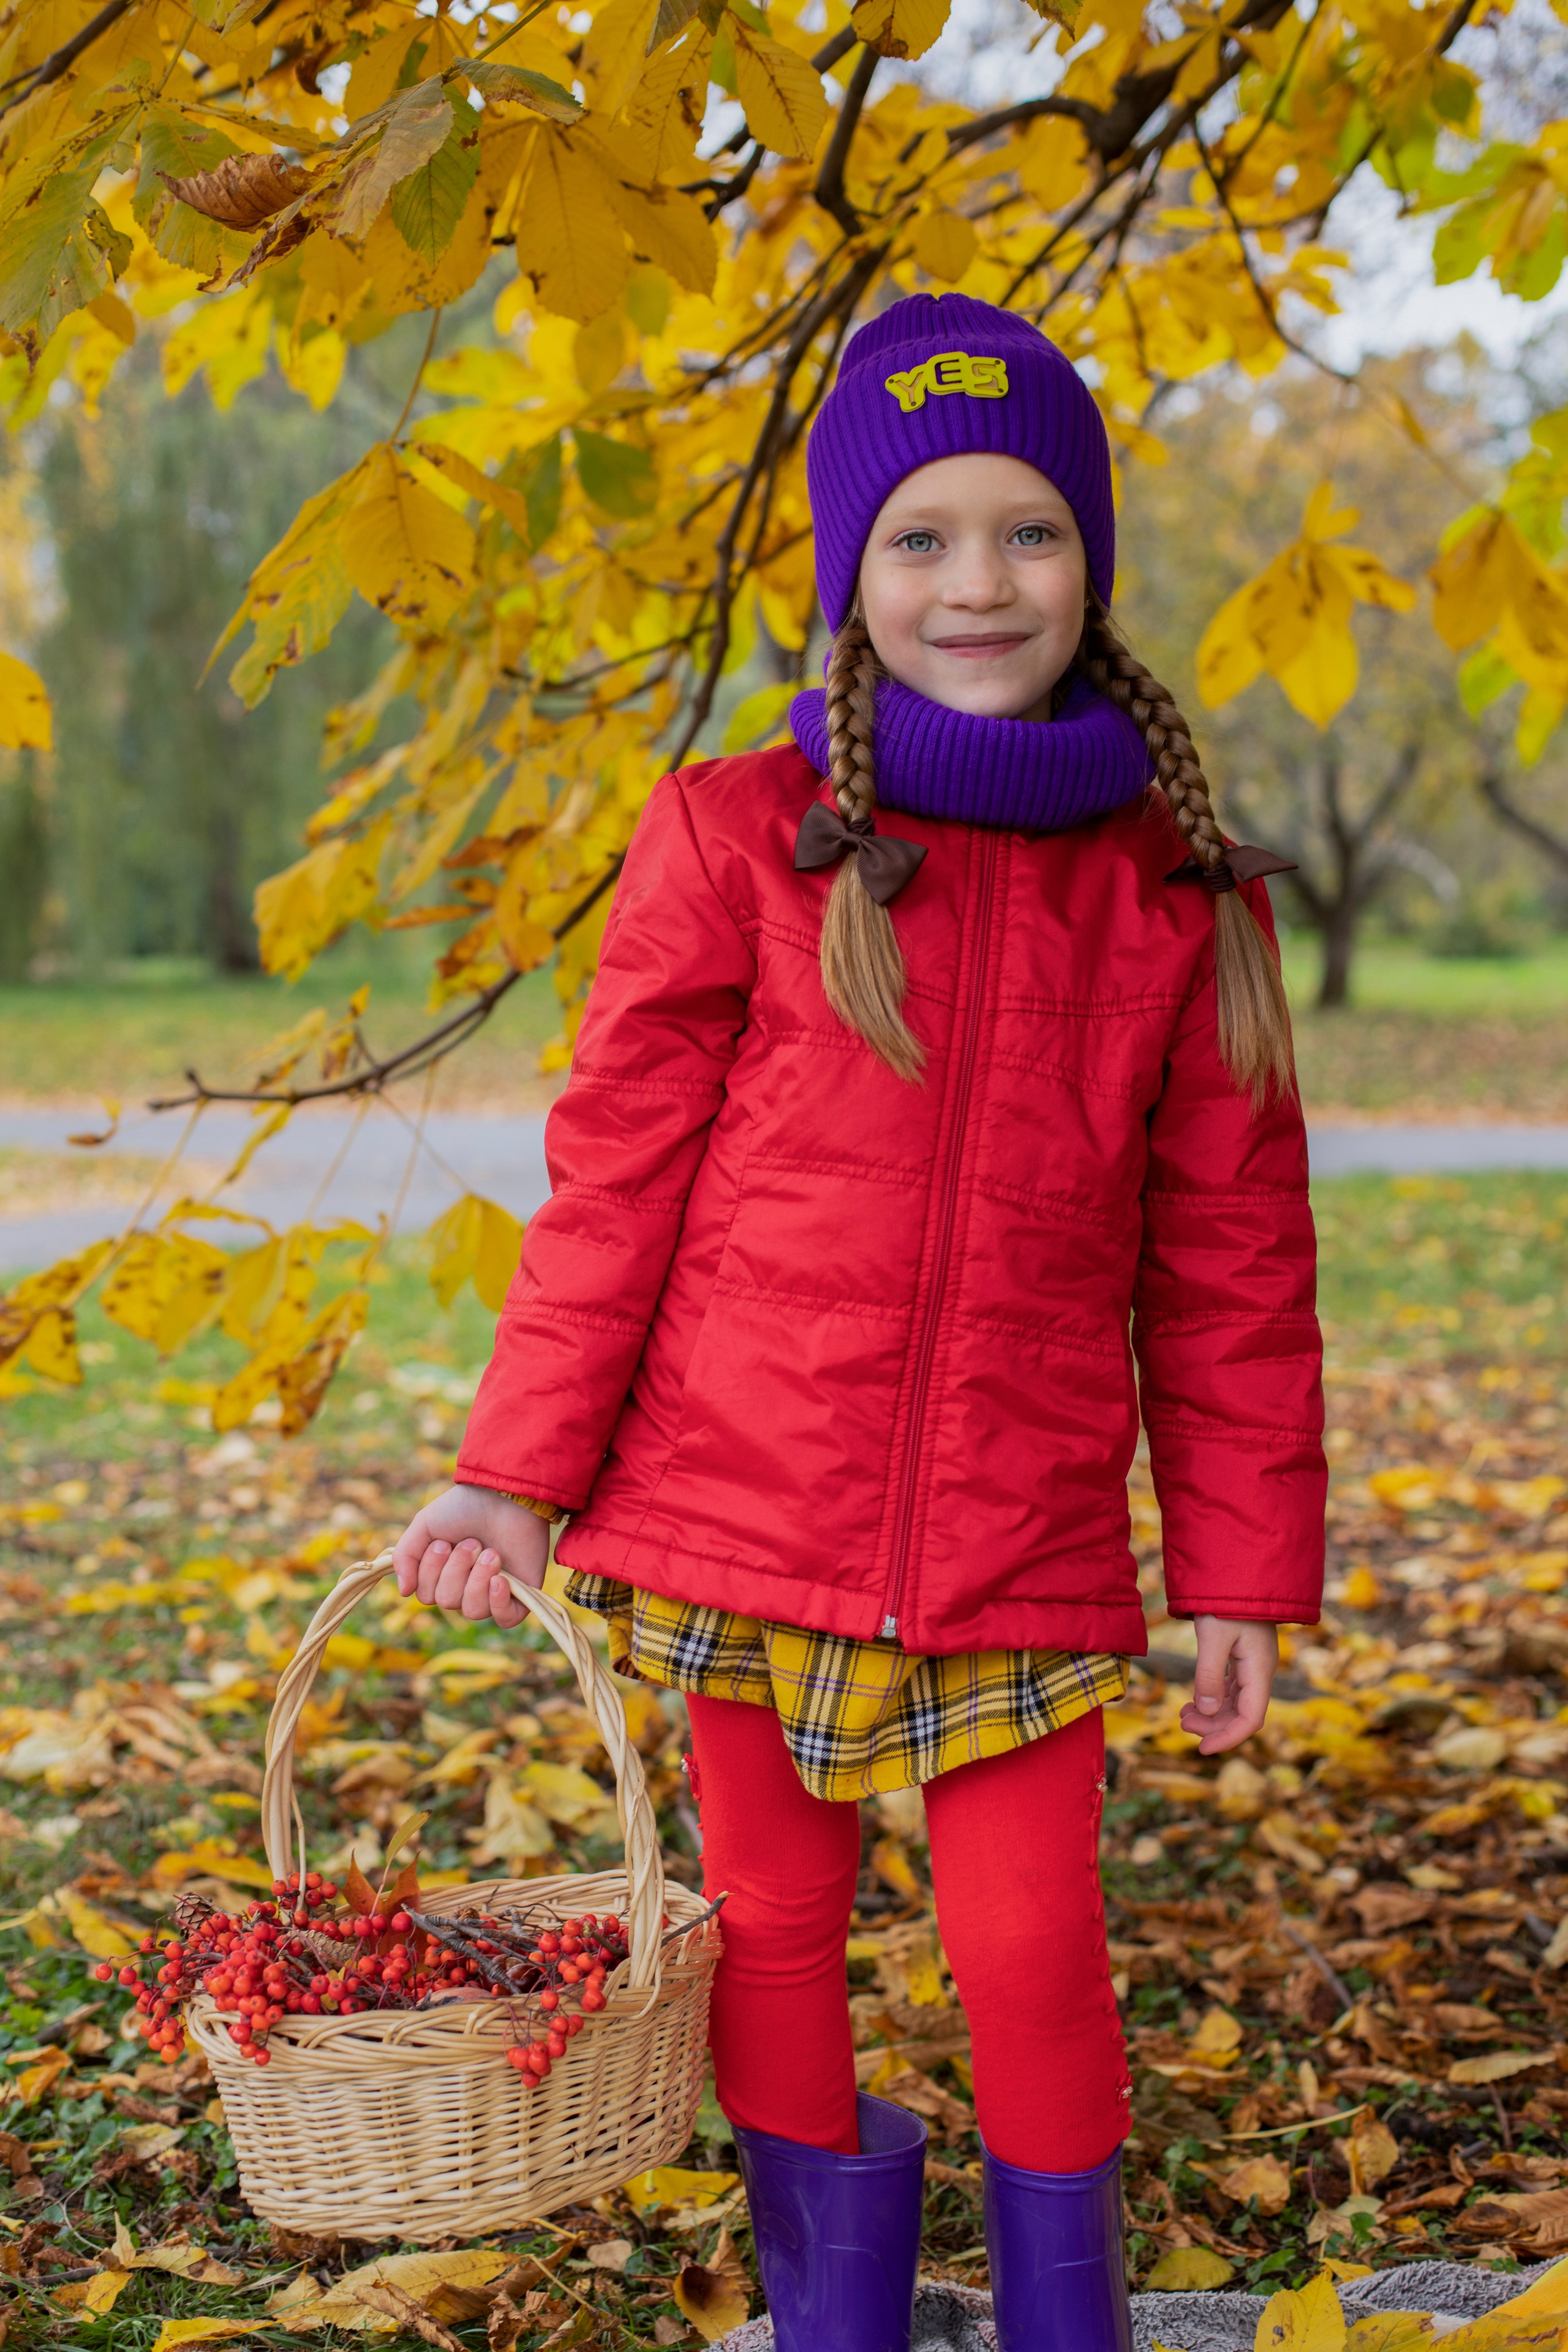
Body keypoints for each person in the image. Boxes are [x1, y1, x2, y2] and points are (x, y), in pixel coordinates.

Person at [390, 292, 1326, 2352]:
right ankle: (840, 2326)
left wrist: (1245, 1563)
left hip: (1021, 1540)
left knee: (1032, 1951)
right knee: (779, 1930)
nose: (977, 582)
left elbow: (1235, 1260)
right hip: (741, 1511)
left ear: (1090, 559)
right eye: (919, 537)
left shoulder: (1182, 888)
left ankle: (1066, 2327)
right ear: (846, 576)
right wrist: (510, 1473)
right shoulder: (734, 836)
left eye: (1028, 532)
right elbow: (615, 1185)